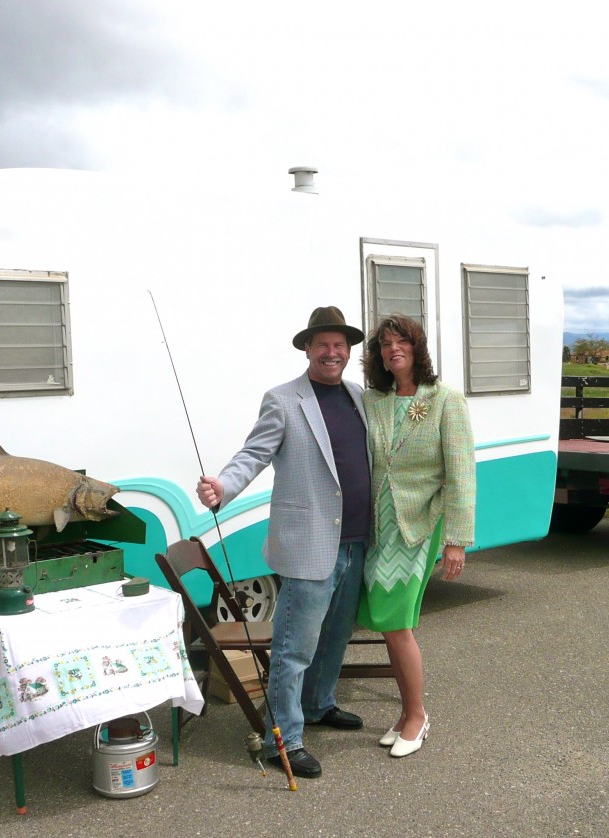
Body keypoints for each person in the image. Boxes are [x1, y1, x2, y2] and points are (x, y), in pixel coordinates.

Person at [195, 306, 371, 779]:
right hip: (309, 544)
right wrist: (223, 487)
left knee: (335, 638)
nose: (332, 353)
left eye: (340, 345)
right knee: (295, 648)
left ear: (348, 352)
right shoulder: (283, 399)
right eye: (323, 345)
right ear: (308, 349)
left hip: (356, 541)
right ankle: (284, 740)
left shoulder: (359, 396)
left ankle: (318, 704)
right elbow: (254, 452)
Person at [358, 314, 475, 758]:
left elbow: (462, 475)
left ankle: (417, 716)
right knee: (390, 628)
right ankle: (407, 712)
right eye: (385, 344)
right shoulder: (374, 401)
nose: (393, 349)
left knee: (399, 624)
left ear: (417, 346)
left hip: (419, 527)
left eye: (401, 341)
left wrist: (457, 540)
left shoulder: (446, 400)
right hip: (378, 528)